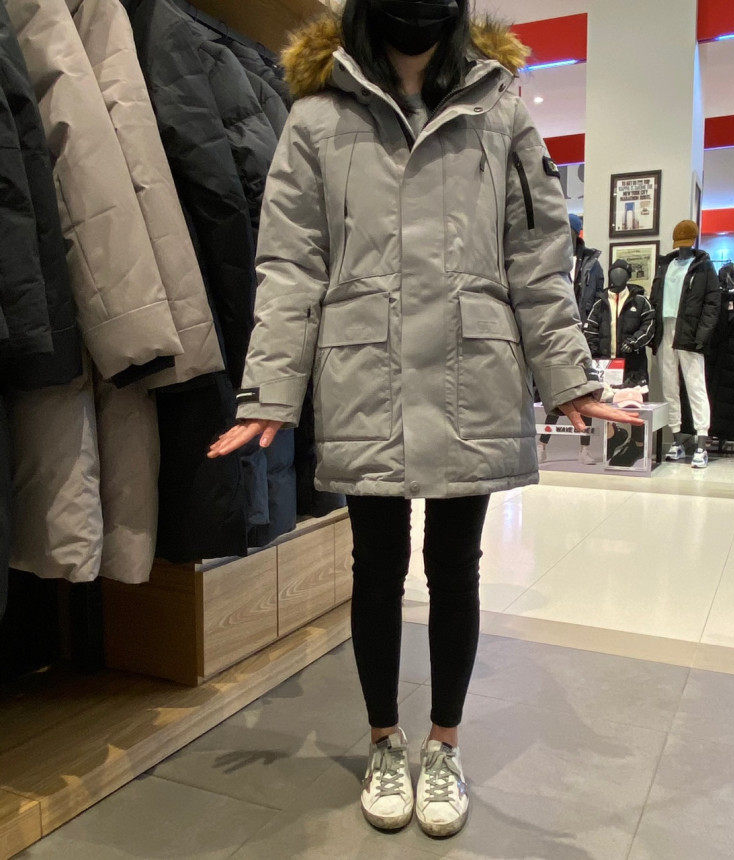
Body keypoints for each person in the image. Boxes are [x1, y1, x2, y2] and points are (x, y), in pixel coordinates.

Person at [208, 0, 643, 839]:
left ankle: (443, 745)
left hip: (469, 369)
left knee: (456, 565)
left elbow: (536, 257)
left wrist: (567, 375)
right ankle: (384, 741)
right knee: (374, 565)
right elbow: (291, 264)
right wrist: (269, 389)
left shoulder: (500, 108)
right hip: (363, 369)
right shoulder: (317, 117)